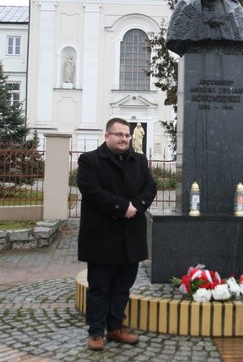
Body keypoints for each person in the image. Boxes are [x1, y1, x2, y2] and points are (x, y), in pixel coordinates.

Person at [77, 118, 157, 351]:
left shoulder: (139, 160)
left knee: (123, 286)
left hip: (130, 235)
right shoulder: (90, 160)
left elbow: (150, 187)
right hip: (102, 236)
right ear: (107, 136)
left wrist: (136, 205)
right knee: (99, 286)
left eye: (127, 136)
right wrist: (122, 207)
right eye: (119, 134)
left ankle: (115, 327)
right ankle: (95, 332)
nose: (124, 139)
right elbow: (91, 191)